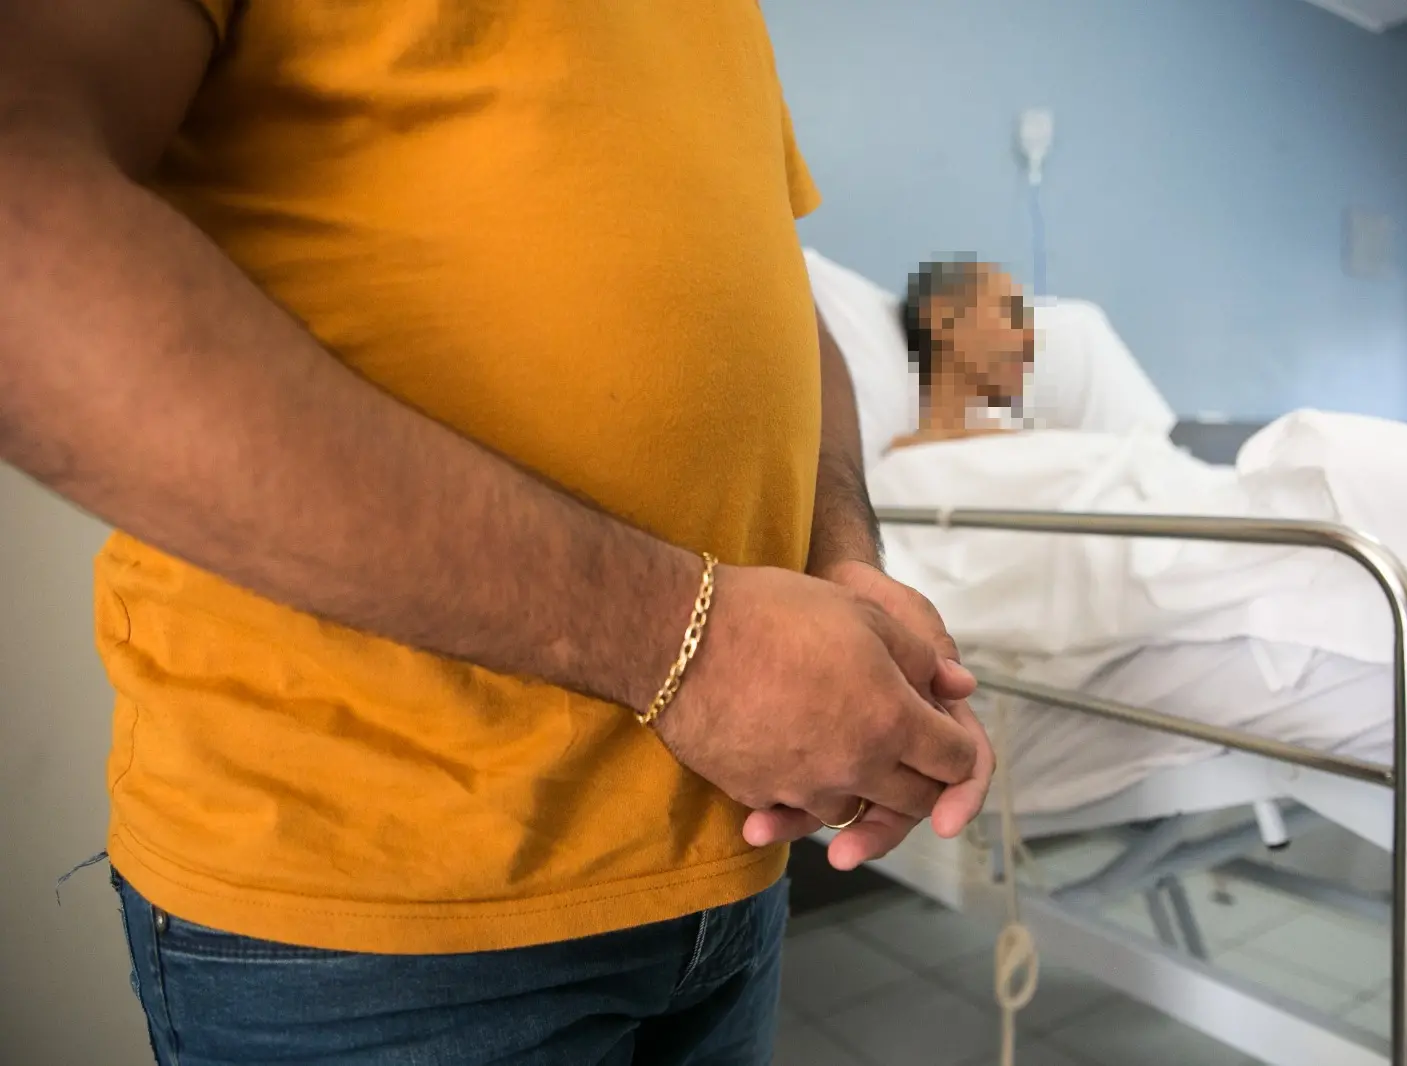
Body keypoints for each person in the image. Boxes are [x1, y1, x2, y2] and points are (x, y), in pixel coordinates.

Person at [0, 3, 994, 1064]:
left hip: (723, 872)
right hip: (375, 927)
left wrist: (842, 557)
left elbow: (772, 290)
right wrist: (689, 646)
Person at [894, 259, 1035, 450]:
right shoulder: (909, 459)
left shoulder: (1034, 451)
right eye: (1010, 313)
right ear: (941, 315)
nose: (1029, 337)